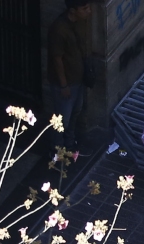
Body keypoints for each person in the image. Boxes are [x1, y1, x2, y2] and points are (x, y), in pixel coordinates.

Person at [47, 0, 94, 152]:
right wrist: (63, 85)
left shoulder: (78, 23)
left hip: (77, 80)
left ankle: (69, 144)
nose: (89, 11)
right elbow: (57, 59)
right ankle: (57, 151)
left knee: (75, 114)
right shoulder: (59, 29)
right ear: (73, 11)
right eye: (84, 8)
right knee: (62, 120)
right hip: (66, 84)